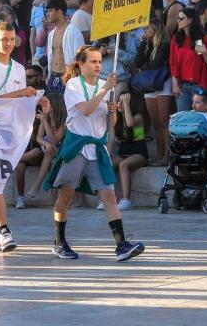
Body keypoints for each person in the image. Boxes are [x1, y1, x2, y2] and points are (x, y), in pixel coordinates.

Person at [43, 46, 145, 261]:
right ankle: (59, 241)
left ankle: (121, 244)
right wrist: (105, 90)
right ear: (81, 64)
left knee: (109, 195)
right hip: (77, 145)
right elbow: (86, 110)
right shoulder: (73, 85)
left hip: (96, 147)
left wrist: (113, 111)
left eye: (99, 62)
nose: (98, 66)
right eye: (93, 62)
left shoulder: (104, 86)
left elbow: (111, 123)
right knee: (66, 195)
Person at [0, 21, 49, 253]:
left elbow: (19, 101)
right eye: (3, 39)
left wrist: (37, 100)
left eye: (12, 39)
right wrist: (21, 93)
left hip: (8, 132)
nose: (8, 43)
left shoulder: (18, 68)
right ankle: (4, 230)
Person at [132, 21, 172, 166]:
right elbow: (136, 63)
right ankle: (160, 155)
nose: (145, 31)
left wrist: (144, 67)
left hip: (162, 82)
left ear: (156, 28)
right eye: (144, 28)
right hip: (149, 85)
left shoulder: (164, 44)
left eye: (147, 28)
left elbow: (156, 64)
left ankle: (167, 155)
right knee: (156, 123)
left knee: (164, 121)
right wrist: (143, 44)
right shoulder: (147, 44)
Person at [18, 94, 66, 207]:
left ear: (54, 106)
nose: (43, 106)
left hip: (58, 152)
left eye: (46, 103)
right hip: (45, 149)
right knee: (41, 151)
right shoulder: (46, 118)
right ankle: (13, 161)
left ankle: (36, 188)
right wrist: (45, 143)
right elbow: (39, 138)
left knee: (51, 149)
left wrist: (44, 122)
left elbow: (54, 141)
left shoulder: (63, 124)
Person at [170, 8, 207, 112]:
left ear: (190, 20)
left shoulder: (201, 38)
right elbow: (172, 62)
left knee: (198, 118)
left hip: (199, 85)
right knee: (183, 118)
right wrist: (175, 84)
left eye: (181, 18)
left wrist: (205, 52)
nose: (178, 21)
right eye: (178, 18)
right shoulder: (176, 39)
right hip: (182, 85)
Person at [44, 0, 69, 94]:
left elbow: (79, 58)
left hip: (67, 78)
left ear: (59, 12)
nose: (47, 14)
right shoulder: (51, 34)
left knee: (65, 108)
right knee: (50, 108)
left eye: (50, 11)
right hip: (53, 76)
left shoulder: (73, 32)